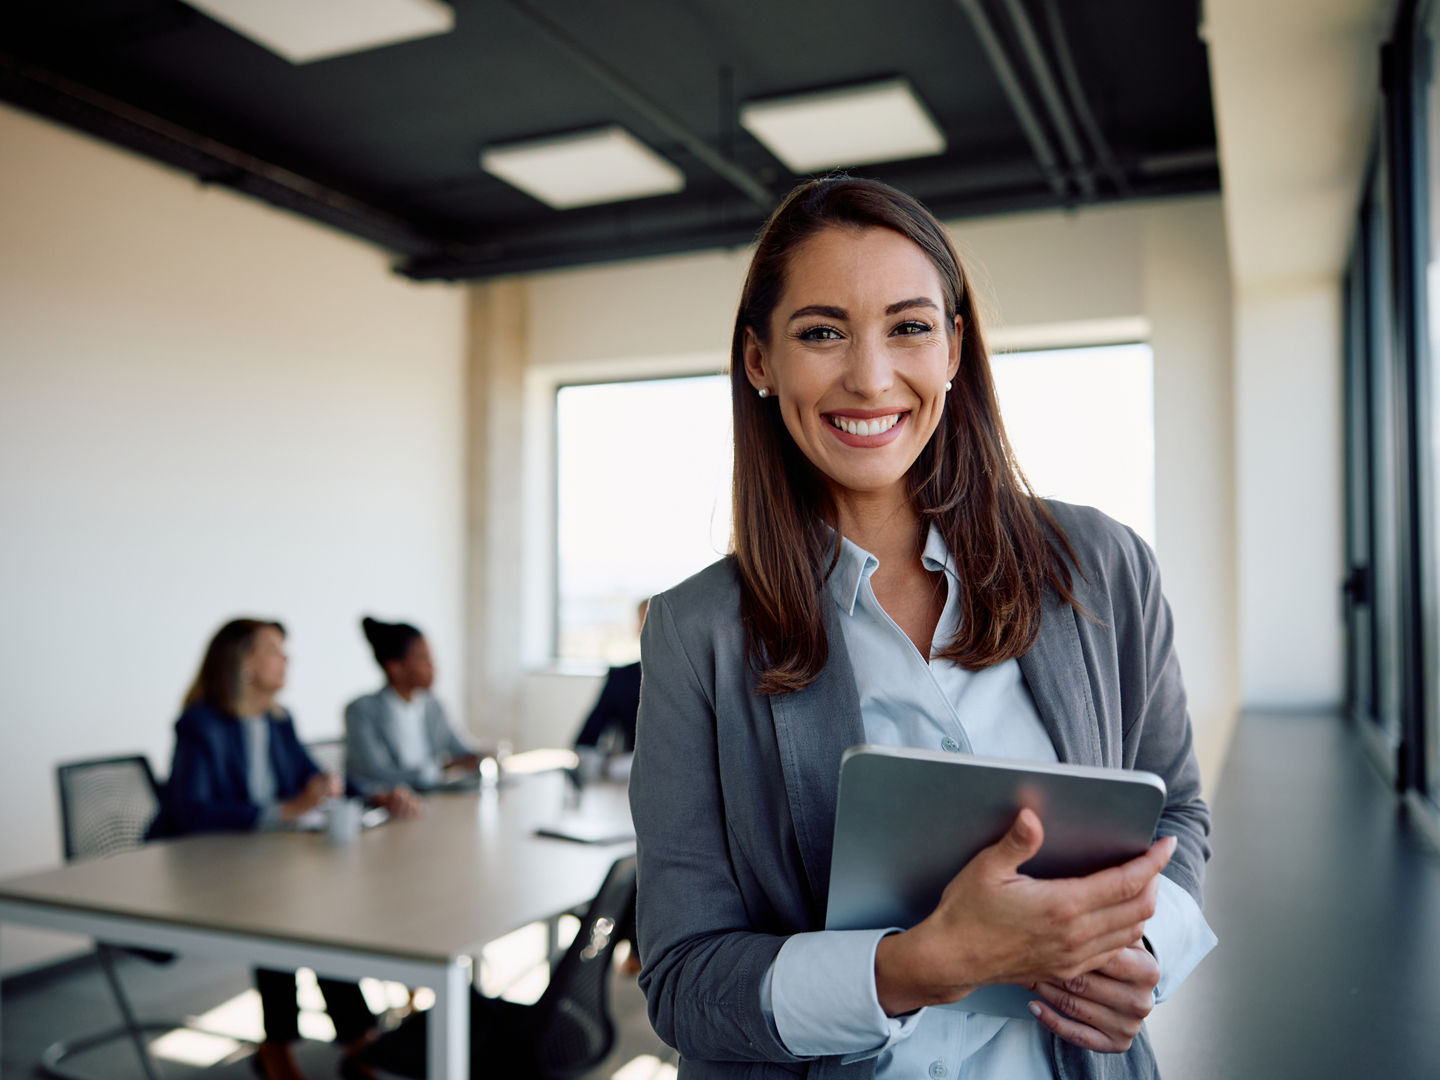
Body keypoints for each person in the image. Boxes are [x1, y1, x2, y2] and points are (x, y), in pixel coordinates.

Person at [627, 178, 1217, 1080]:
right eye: (822, 332)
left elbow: (1176, 813)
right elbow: (683, 979)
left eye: (909, 326)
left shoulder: (1103, 566)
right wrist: (915, 968)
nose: (870, 376)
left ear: (953, 348)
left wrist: (1146, 957)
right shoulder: (695, 631)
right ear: (759, 360)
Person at [151, 618, 418, 1080]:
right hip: (202, 870)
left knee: (308, 909)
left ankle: (319, 1040)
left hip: (263, 864)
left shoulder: (277, 720)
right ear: (243, 663)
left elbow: (312, 776)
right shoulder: (201, 725)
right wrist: (287, 809)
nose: (286, 658)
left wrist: (372, 794)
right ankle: (345, 1039)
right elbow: (190, 812)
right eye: (274, 649)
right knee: (291, 912)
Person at [345, 616, 478, 795]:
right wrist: (439, 769)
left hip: (434, 801)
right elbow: (377, 773)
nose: (432, 666)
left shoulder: (433, 706)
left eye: (432, 658)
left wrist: (482, 757)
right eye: (423, 658)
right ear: (395, 667)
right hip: (389, 809)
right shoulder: (362, 711)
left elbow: (462, 752)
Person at [572, 599, 648, 755]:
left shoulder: (694, 678)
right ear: (638, 628)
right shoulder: (621, 679)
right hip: (630, 766)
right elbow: (587, 737)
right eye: (645, 622)